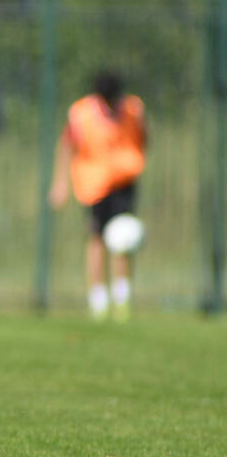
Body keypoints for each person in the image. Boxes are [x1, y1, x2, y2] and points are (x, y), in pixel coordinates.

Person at [49, 70, 147, 321]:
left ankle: (122, 299)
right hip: (93, 185)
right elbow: (66, 145)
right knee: (96, 239)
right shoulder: (81, 113)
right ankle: (98, 300)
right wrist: (60, 183)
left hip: (123, 181)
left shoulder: (133, 110)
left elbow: (144, 139)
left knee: (122, 238)